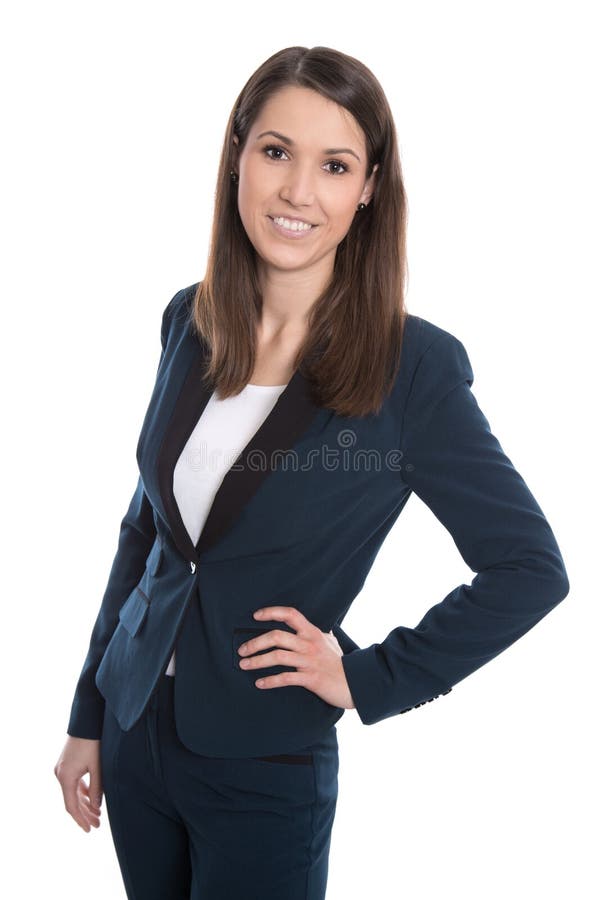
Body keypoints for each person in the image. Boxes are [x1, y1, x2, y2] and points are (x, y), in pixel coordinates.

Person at [54, 45, 570, 900]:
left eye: (334, 165)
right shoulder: (190, 318)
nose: (298, 192)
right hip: (135, 730)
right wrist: (88, 718)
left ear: (367, 187)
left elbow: (529, 570)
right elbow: (148, 527)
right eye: (276, 151)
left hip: (263, 760)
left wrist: (368, 677)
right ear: (237, 157)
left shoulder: (415, 370)